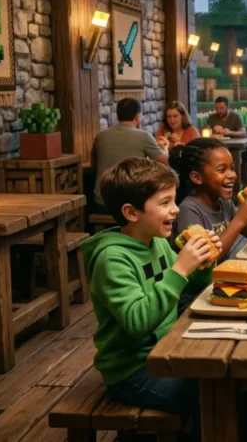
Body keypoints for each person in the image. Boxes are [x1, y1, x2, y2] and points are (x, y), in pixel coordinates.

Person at [81, 157, 221, 422]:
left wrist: (202, 266)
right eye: (165, 202)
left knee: (231, 380)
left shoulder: (155, 241)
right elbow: (138, 321)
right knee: (214, 396)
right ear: (131, 213)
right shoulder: (112, 260)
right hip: (133, 371)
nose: (176, 209)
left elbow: (189, 288)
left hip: (169, 351)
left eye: (174, 199)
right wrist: (180, 269)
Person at [171, 138, 247, 261]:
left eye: (232, 168)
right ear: (197, 177)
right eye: (221, 170)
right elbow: (208, 258)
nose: (232, 175)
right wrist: (240, 219)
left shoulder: (224, 202)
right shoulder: (188, 210)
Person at [91, 98, 168, 209]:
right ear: (137, 117)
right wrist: (165, 148)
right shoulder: (144, 136)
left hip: (101, 200)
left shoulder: (100, 136)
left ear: (117, 116)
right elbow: (165, 162)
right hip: (131, 202)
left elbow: (94, 163)